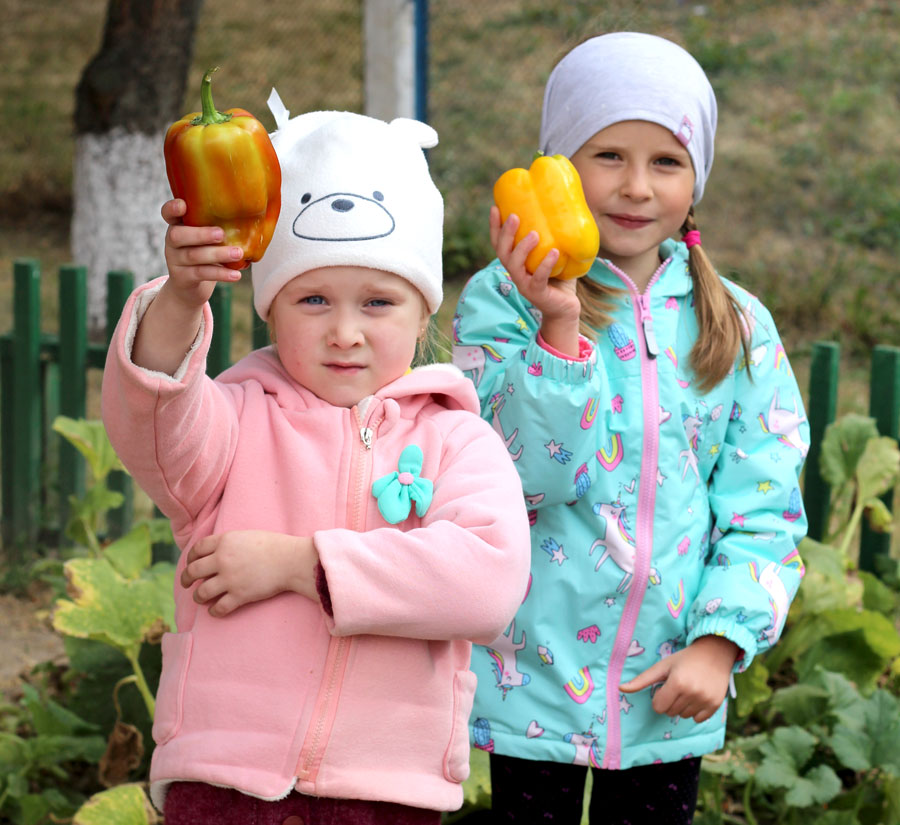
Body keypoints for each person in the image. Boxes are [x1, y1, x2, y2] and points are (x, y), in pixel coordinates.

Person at [101, 98, 532, 825]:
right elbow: (150, 425)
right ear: (270, 306)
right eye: (312, 298)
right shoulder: (231, 421)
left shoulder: (456, 439)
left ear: (423, 311)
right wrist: (181, 296)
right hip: (222, 782)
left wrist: (304, 565)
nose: (344, 332)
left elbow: (487, 582)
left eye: (377, 301)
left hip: (385, 791)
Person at [452, 32, 809, 824]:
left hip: (666, 687)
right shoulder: (500, 303)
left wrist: (721, 642)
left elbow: (765, 507)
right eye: (607, 154)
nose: (636, 187)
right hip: (529, 682)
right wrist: (558, 323)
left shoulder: (739, 327)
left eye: (667, 161)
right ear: (556, 166)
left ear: (697, 179)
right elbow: (522, 478)